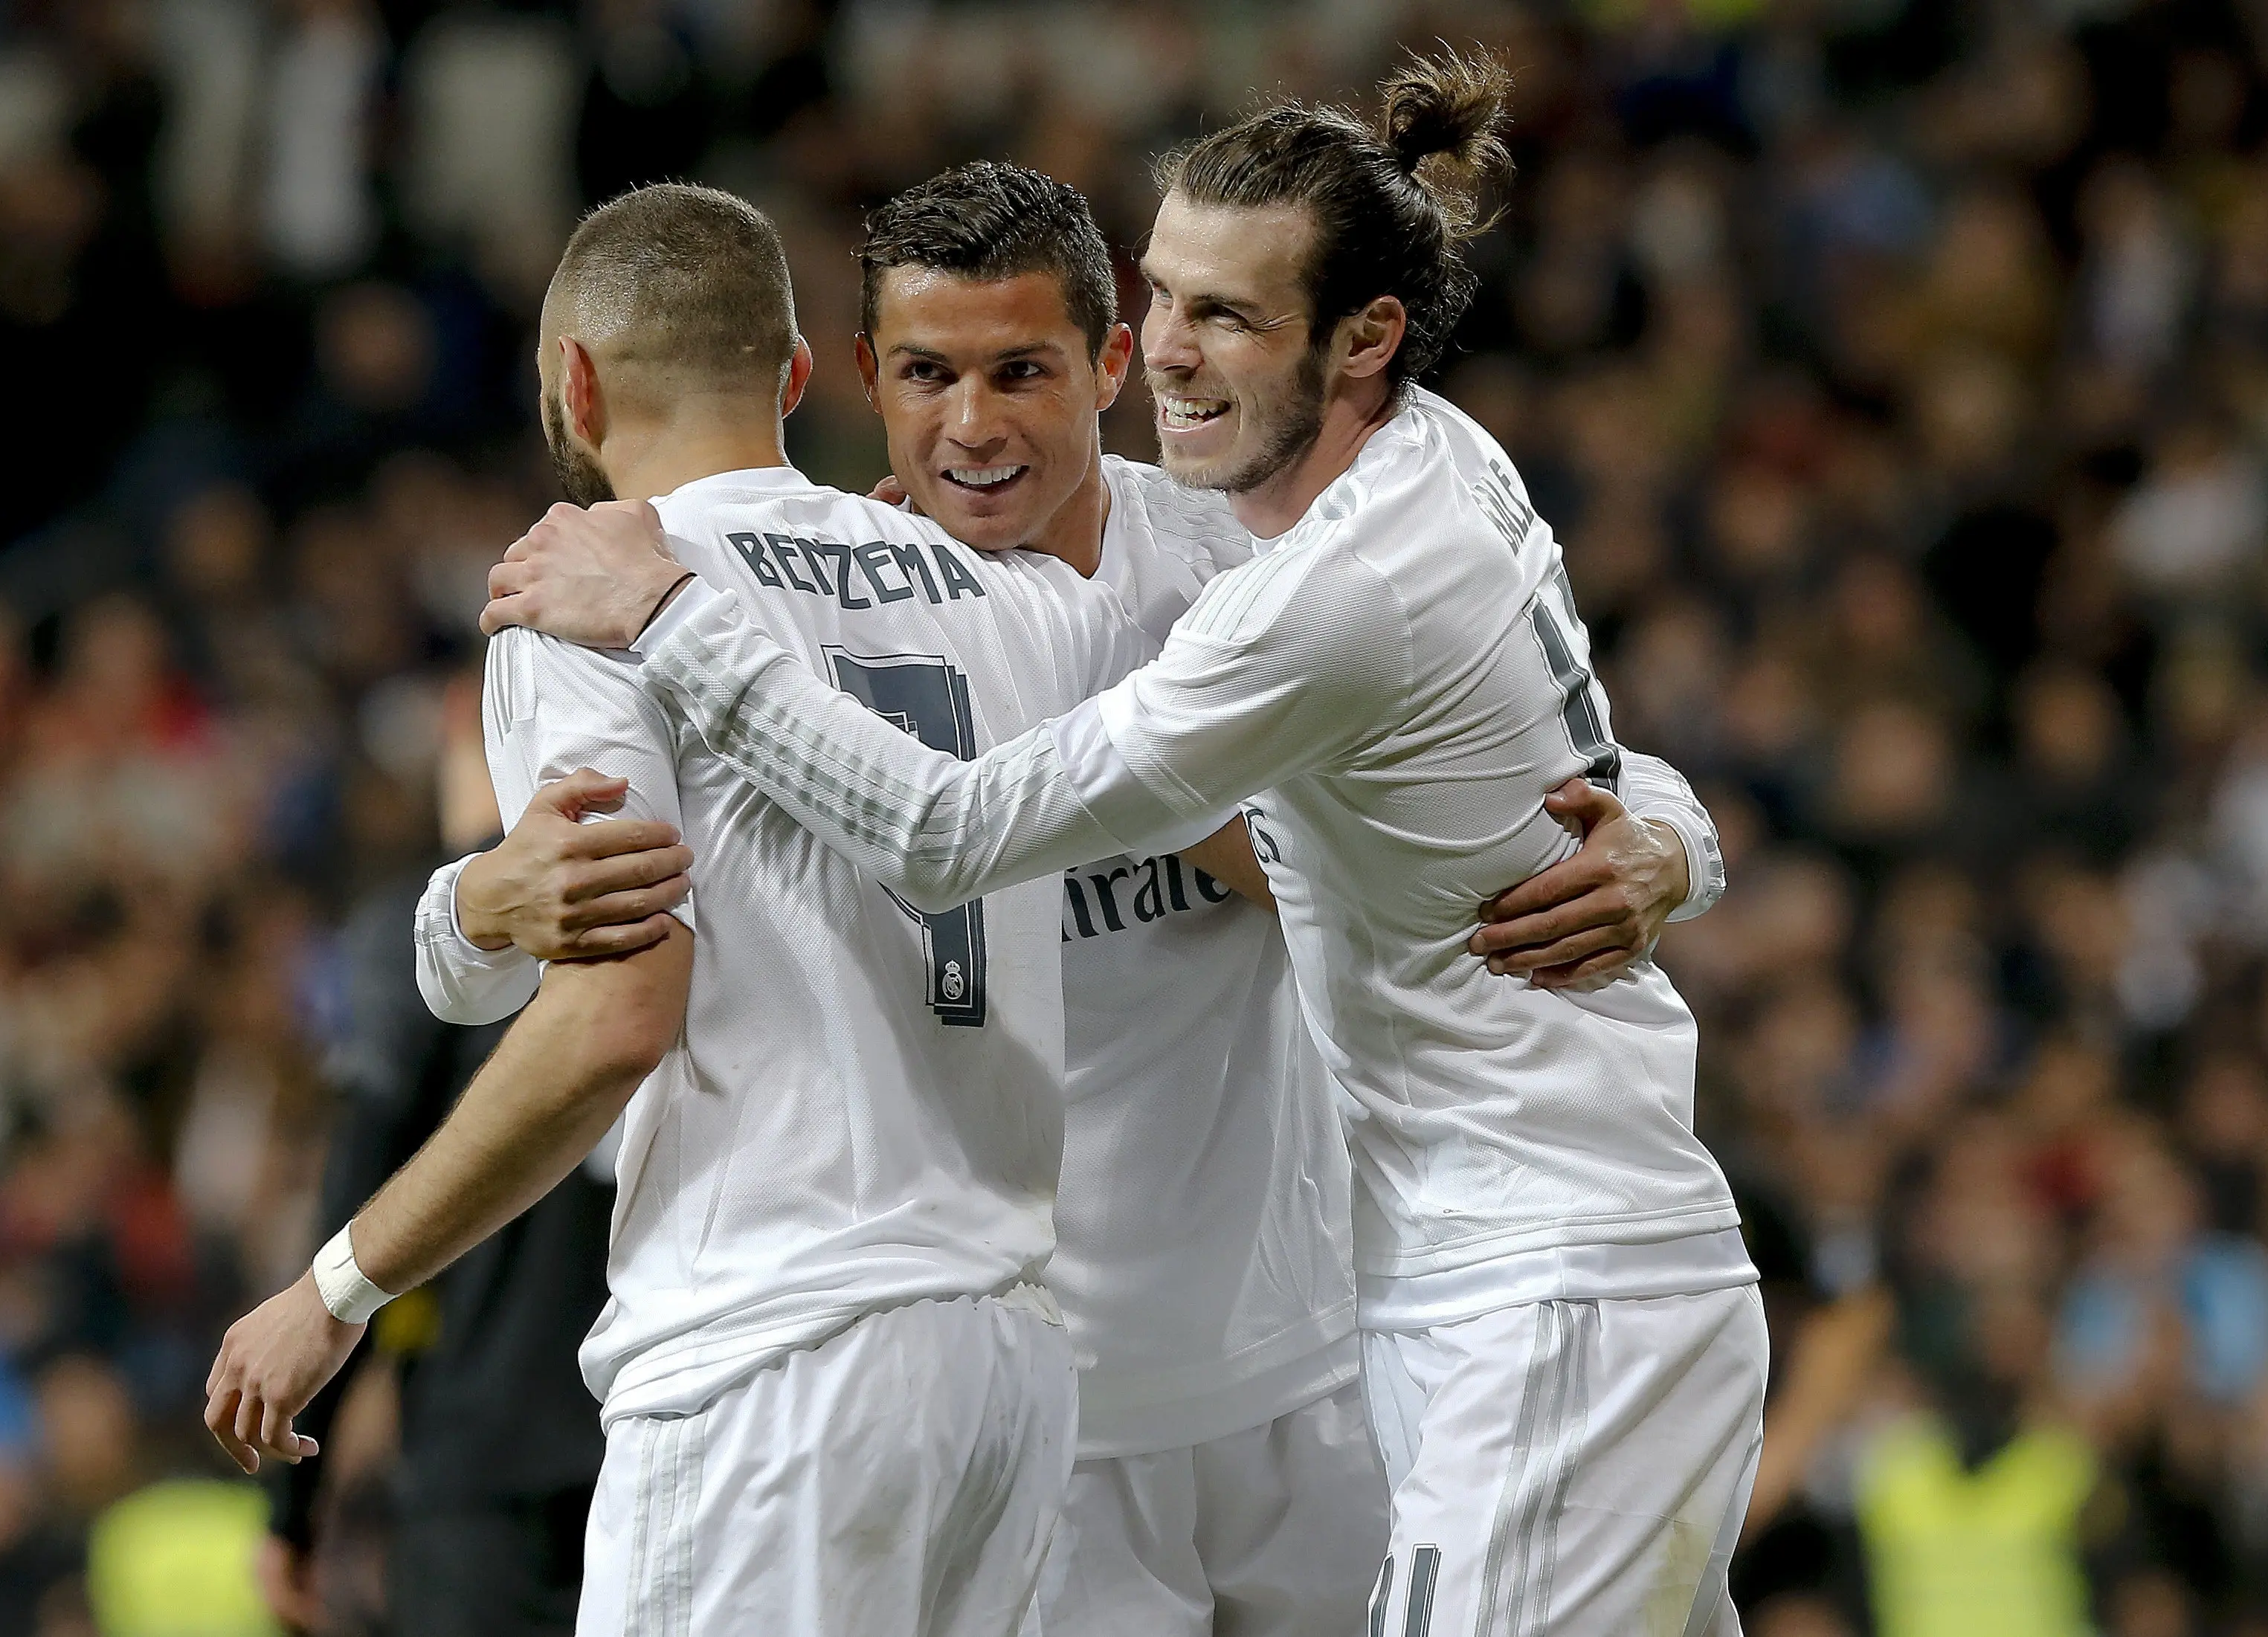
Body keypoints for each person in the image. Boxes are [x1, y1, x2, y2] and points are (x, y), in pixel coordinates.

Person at [482, 48, 1766, 1636]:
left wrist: (1666, 842)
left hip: (1316, 1364)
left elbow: (1558, 746)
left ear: (1100, 369)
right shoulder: (809, 613)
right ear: (856, 380)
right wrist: (476, 900)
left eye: (1021, 371)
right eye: (928, 375)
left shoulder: (1245, 565)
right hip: (1053, 1403)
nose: (972, 427)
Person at [204, 181, 1172, 1637]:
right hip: (1009, 1369)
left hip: (768, 1362)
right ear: (794, 376)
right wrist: (470, 911)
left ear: (574, 384)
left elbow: (615, 1011)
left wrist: (334, 1288)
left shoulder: (590, 589)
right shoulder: (1004, 588)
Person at [258, 678, 616, 1637]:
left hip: (481, 1454)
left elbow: (356, 1183)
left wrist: (296, 1509)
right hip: (658, 1419)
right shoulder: (656, 892)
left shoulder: (425, 926)